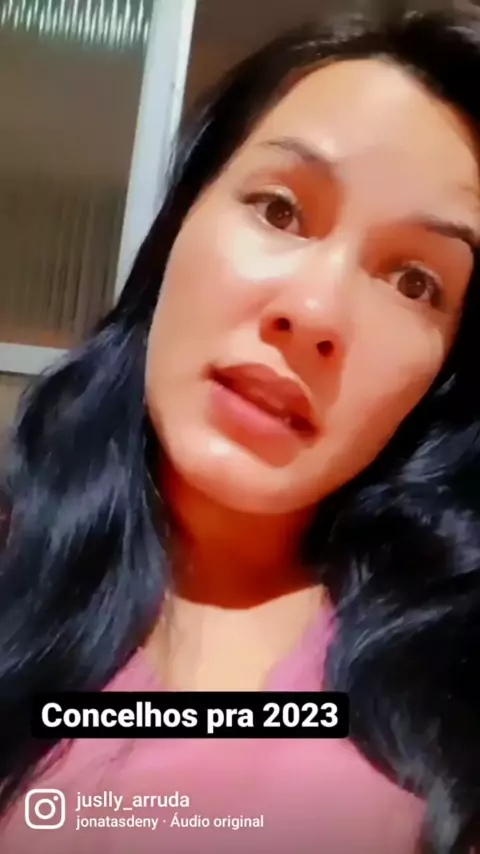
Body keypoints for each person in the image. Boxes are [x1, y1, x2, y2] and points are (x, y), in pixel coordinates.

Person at [1, 6, 480, 853]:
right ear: (178, 226)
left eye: (415, 282)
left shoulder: (447, 704)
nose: (314, 311)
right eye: (281, 210)